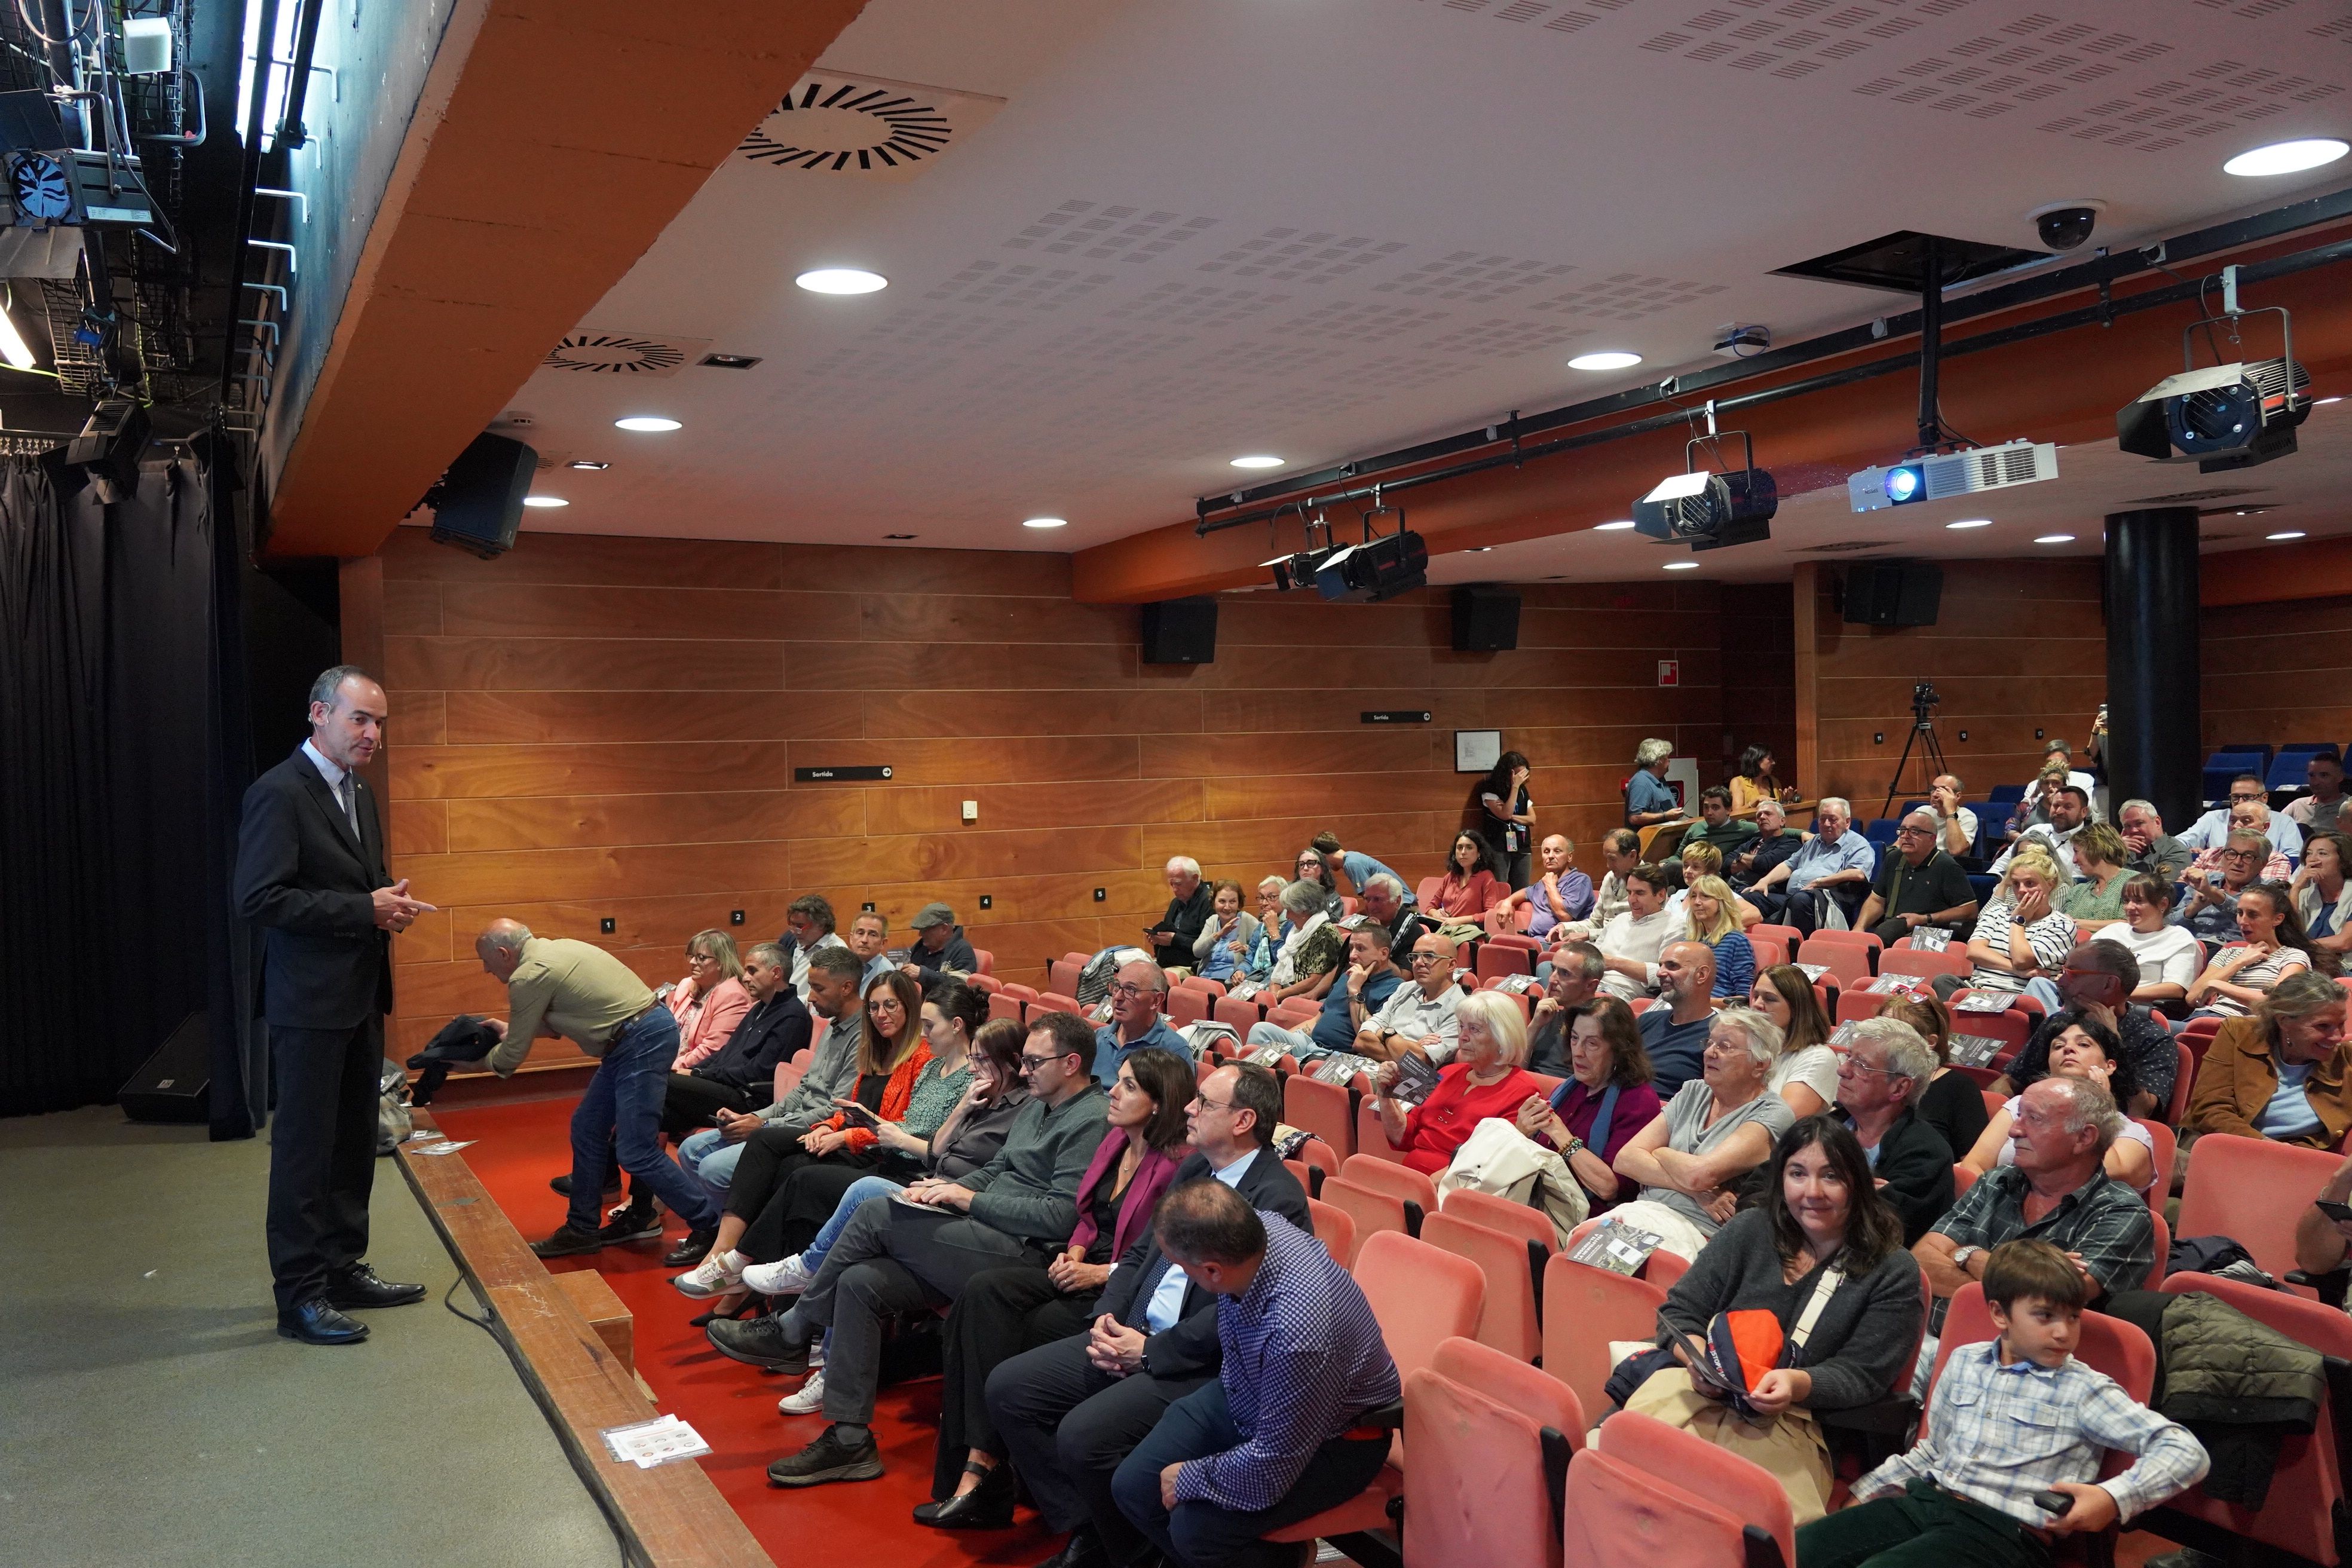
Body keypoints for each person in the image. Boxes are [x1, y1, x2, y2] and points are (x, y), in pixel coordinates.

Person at [725, 1012, 1111, 1488]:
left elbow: (1060, 1218)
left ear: (1071, 1062)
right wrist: (943, 1189)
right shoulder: (1038, 1104)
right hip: (981, 1230)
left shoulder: (1092, 1120)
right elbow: (998, 1173)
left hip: (1022, 1251)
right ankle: (849, 1439)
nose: (1024, 1070)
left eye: (1034, 1062)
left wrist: (968, 1199)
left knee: (873, 1213)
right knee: (859, 1281)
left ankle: (795, 1328)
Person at [987, 1063, 1306, 1568]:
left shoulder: (1276, 1200)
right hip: (1135, 1331)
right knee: (1010, 1389)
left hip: (1199, 1363)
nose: (1188, 1109)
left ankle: (1141, 1554)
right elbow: (1139, 1253)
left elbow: (1241, 1312)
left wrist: (1150, 1352)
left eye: (1204, 1102)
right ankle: (1093, 1529)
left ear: (1244, 1121)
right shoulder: (1197, 1167)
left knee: (1084, 1436)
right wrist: (1108, 1318)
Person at [232, 664, 434, 1345]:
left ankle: (343, 1268)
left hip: (359, 998)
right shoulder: (278, 793)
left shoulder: (361, 794)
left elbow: (364, 882)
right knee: (304, 1154)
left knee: (353, 1144)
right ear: (318, 714)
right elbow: (258, 899)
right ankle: (300, 1296)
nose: (373, 733)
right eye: (360, 718)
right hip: (308, 1005)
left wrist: (388, 904)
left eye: (379, 722)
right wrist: (361, 907)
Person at [1801, 1238, 2209, 1568]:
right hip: (1927, 1502)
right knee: (1798, 1548)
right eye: (2045, 1316)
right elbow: (1932, 1452)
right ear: (2000, 1314)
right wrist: (1865, 1493)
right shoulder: (1965, 1361)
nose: (2064, 1333)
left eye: (2074, 1317)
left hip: (2005, 1531)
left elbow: (2185, 1450)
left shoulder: (2082, 1389)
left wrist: (2115, 1497)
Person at [923, 1048, 1195, 1529]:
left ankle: (991, 1472)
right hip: (1078, 1267)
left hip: (1120, 1289)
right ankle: (974, 1467)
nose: (1112, 1090)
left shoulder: (1176, 1166)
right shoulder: (1114, 1142)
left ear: (1159, 1103)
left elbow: (1154, 1256)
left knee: (1036, 1325)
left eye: (1129, 1086)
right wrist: (1074, 1251)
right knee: (982, 1294)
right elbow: (1084, 1216)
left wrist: (1099, 1272)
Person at [1629, 1119, 1927, 1523]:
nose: (1812, 1193)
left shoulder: (1892, 1269)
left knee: (1721, 1519)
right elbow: (1680, 1312)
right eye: (1798, 1174)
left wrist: (1795, 1383)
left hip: (1795, 1423)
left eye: (1832, 1177)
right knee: (1626, 1484)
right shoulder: (1750, 1229)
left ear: (1859, 1184)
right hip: (1701, 1395)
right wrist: (1698, 1362)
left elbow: (1864, 1375)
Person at [1108, 1184, 1401, 1568]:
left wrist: (1191, 1478)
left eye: (1183, 1268)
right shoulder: (1260, 1227)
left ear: (1212, 1271)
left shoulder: (1297, 1334)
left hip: (1339, 1440)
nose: (1184, 1275)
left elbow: (1273, 1466)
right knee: (1133, 1486)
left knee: (1195, 1528)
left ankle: (1272, 1560)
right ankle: (1268, 1558)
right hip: (1247, 1392)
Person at [681, 997, 1018, 1317]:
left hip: (905, 1168)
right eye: (873, 1006)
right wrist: (840, 1123)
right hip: (888, 1153)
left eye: (891, 1006)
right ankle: (757, 1281)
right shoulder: (930, 1066)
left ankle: (746, 1265)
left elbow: (933, 1149)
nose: (922, 1032)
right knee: (792, 1169)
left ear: (957, 1026)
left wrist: (857, 1133)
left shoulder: (959, 1077)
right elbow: (892, 1119)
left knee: (801, 1174)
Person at [670, 969, 945, 1294]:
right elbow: (851, 1107)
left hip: (875, 1153)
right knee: (782, 1161)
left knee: (782, 1157)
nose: (880, 1015)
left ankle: (731, 1260)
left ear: (909, 1007)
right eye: (873, 1007)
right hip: (848, 1141)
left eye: (890, 1005)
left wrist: (842, 1135)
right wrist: (828, 1126)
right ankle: (740, 1270)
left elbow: (900, 1126)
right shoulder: (876, 1051)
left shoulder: (922, 1057)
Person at [473, 920, 726, 1260]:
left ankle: (710, 1226)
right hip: (638, 1035)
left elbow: (509, 1060)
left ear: (504, 954)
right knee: (588, 1127)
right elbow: (562, 1020)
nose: (486, 969)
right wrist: (514, 1028)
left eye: (486, 961)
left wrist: (466, 1064)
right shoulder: (558, 946)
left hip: (637, 1041)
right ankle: (581, 1230)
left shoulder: (527, 975)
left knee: (636, 1150)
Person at [1916, 1076, 2155, 1335]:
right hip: (1926, 1336)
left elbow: (2048, 1297)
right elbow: (1921, 1260)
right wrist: (2016, 1273)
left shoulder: (2122, 1212)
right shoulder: (1996, 1181)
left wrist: (1964, 1254)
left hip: (2026, 1366)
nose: (2014, 1130)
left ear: (2084, 1138)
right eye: (2019, 1116)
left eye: (2034, 1118)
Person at [638, 942, 810, 1259]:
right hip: (728, 1088)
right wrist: (700, 1071)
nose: (745, 977)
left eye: (752, 970)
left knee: (656, 1082)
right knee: (651, 1119)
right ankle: (647, 1210)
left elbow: (759, 1071)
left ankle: (704, 1226)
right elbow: (727, 1056)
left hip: (748, 1099)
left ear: (776, 973)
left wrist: (698, 1076)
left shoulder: (792, 1015)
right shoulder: (760, 1008)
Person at [675, 946, 865, 1211]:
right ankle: (717, 1229)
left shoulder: (863, 1036)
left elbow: (837, 1110)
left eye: (819, 989)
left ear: (846, 988)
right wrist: (760, 1118)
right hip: (787, 1120)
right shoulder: (834, 1025)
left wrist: (765, 1125)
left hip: (813, 1131)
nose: (810, 997)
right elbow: (803, 1090)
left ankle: (732, 1236)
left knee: (711, 1166)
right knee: (690, 1150)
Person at [1610, 1009, 1800, 1259]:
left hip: (1698, 1232)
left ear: (1760, 1065)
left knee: (1617, 1270)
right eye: (1709, 1043)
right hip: (1643, 1211)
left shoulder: (1773, 1113)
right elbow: (1625, 1159)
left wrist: (1660, 1151)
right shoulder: (1693, 1091)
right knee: (1583, 1255)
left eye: (1725, 1046)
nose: (1710, 1052)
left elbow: (1701, 1175)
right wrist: (1695, 1192)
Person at [1962, 1014, 2154, 1194]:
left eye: (2084, 1044)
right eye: (2058, 1046)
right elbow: (1974, 1164)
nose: (2067, 1049)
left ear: (2109, 1066)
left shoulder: (2131, 1132)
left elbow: (2110, 1169)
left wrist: (2097, 1108)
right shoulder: (2019, 1106)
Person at [1370, 990, 1542, 1175]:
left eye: (1474, 1029)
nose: (1463, 1036)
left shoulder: (1523, 1091)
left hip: (1457, 1188)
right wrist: (1385, 1094)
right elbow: (1403, 1137)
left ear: (1502, 1038)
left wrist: (1427, 1187)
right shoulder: (1448, 1073)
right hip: (1412, 1177)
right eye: (1461, 1027)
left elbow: (1488, 1165)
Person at [1516, 995, 1662, 1211]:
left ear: (1619, 1049)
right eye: (1575, 1038)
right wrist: (1522, 1132)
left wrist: (1560, 1134)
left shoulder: (1638, 1101)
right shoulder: (1571, 1087)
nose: (1578, 1051)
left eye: (1592, 1043)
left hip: (1584, 1214)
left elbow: (1609, 1188)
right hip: (1535, 1195)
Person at [2185, 970, 2352, 1149]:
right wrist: (2266, 1147)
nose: (2337, 1037)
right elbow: (2209, 1108)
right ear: (2284, 1022)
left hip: (2298, 1161)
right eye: (2323, 1026)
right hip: (2222, 1147)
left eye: (2341, 1024)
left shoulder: (2346, 1060)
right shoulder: (2239, 1033)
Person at [2004, 946, 2175, 1119]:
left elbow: (2141, 1112)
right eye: (2063, 972)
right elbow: (2010, 1082)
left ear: (2109, 984)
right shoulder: (2057, 1023)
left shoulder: (2153, 1038)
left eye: (2073, 974)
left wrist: (2114, 1041)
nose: (2060, 982)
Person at [1833, 1020, 1958, 1244]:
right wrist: (1859, 1189)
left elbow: (1878, 1230)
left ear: (1900, 1088)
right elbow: (1761, 1187)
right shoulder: (1825, 1126)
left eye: (1861, 1065)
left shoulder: (1928, 1155)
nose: (1842, 1070)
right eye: (1848, 1057)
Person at [1245, 921, 1398, 1061]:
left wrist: (1355, 990)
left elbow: (1366, 1037)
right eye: (1351, 948)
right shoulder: (1347, 976)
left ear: (1383, 954)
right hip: (1310, 1043)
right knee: (1261, 1030)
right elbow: (1316, 1020)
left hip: (1339, 1056)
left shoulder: (1394, 988)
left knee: (1305, 1064)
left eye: (1361, 949)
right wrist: (1284, 1044)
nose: (1352, 956)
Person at [1936, 849, 2075, 1000]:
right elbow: (1974, 951)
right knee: (1942, 981)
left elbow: (2022, 960)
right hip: (1979, 990)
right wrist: (2018, 971)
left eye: (2030, 883)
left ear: (2050, 884)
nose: (2022, 890)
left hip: (2021, 997)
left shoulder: (2061, 925)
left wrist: (2018, 921)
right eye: (2016, 884)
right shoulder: (1997, 912)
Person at [2185, 881, 2325, 1021]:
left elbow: (2272, 1003)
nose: (2242, 921)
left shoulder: (2293, 956)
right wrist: (2240, 962)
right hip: (2201, 1018)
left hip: (2241, 1026)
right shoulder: (2231, 951)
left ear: (2278, 919)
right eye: (2240, 913)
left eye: (2253, 915)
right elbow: (2192, 998)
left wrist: (2216, 985)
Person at [1854, 808, 1980, 947]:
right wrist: (1859, 927)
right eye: (1902, 831)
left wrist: (1924, 919)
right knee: (1863, 946)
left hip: (1932, 931)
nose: (1906, 836)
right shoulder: (1893, 859)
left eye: (1914, 832)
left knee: (1896, 949)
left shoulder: (1947, 866)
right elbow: (1877, 900)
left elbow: (1970, 911)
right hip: (1894, 929)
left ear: (1932, 838)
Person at [1750, 798, 1876, 935]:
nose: (1827, 824)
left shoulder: (1858, 844)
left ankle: (1794, 948)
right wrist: (1765, 881)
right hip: (1792, 896)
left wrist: (1819, 882)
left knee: (1799, 901)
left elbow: (1858, 873)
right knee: (1751, 896)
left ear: (1847, 822)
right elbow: (1788, 865)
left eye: (1833, 820)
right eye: (1822, 819)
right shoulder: (1814, 841)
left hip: (1825, 902)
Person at [2089, 874, 2203, 1011]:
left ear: (2163, 904)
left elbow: (2175, 988)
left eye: (2138, 901)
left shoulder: (2179, 939)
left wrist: (2117, 995)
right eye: (2126, 900)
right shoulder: (2111, 931)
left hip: (2136, 1012)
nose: (2129, 907)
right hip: (2091, 1001)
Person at [1354, 929, 1463, 1064]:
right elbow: (1361, 1041)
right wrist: (1411, 1047)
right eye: (1415, 957)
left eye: (1429, 956)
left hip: (1407, 1080)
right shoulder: (1405, 988)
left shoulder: (1461, 1009)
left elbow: (1421, 1062)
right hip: (1366, 1064)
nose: (1418, 963)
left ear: (1451, 965)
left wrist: (1385, 1034)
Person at [1748, 965, 1840, 1119]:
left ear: (1797, 1008)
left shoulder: (1818, 1058)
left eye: (1769, 999)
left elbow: (1780, 1121)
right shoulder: (1750, 1048)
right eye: (1755, 996)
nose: (1757, 1004)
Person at [1637, 939, 1721, 1097]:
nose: (1660, 973)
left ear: (1701, 975)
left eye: (1672, 966)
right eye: (1661, 965)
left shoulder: (1720, 1035)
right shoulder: (1646, 1021)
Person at [665, 929, 753, 1071]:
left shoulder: (733, 996)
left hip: (696, 1073)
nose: (693, 962)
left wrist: (669, 1067)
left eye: (701, 957)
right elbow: (666, 1030)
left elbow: (712, 1050)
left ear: (721, 962)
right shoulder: (686, 985)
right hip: (668, 1066)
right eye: (692, 956)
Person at [1594, 863, 1682, 1004]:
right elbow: (1594, 956)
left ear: (1660, 895)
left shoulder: (1675, 927)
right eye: (1629, 892)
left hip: (1624, 996)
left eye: (1640, 893)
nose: (1631, 899)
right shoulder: (1619, 920)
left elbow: (1667, 974)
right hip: (1592, 986)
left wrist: (1615, 963)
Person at [1093, 961, 1192, 1083]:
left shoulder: (1175, 1050)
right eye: (1117, 986)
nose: (1118, 997)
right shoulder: (1098, 1037)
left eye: (1130, 989)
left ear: (1156, 1000)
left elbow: (1177, 1101)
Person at [1487, 833, 1594, 938]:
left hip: (1563, 944)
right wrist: (1507, 902)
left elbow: (1564, 915)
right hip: (1535, 940)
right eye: (1546, 852)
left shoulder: (1580, 881)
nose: (1551, 856)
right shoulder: (1542, 883)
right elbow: (1525, 892)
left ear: (1570, 857)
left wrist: (1551, 886)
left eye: (1557, 851)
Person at [2173, 828, 2268, 944]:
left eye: (2248, 857)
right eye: (2232, 854)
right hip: (2187, 947)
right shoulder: (2204, 880)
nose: (2238, 862)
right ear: (2223, 856)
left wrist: (2213, 894)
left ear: (2263, 863)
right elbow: (2168, 924)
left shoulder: (2269, 890)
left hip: (2234, 953)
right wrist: (2193, 908)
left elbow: (2258, 925)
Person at [2180, 773, 2304, 861]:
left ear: (2264, 798)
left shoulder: (2283, 821)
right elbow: (2180, 842)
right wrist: (2188, 851)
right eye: (2235, 797)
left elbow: (2293, 858)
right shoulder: (2214, 817)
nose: (2240, 802)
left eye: (2248, 797)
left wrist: (2255, 859)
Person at [1527, 941, 1606, 1076]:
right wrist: (1535, 1025)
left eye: (1565, 974)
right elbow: (1516, 1069)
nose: (1552, 979)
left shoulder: (1603, 1027)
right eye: (1553, 969)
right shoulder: (1548, 1015)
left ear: (1590, 985)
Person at [1261, 879, 1343, 1006]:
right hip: (1284, 994)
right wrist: (1273, 995)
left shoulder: (1325, 933)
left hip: (1305, 998)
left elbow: (1314, 981)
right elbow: (1280, 969)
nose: (1287, 916)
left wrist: (1278, 996)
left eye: (1289, 910)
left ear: (1304, 911)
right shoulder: (1297, 931)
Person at [1991, 783, 2092, 883]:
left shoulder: (2089, 843)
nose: (2060, 811)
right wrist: (1992, 881)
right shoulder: (2035, 830)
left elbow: (2076, 884)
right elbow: (2003, 863)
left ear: (2084, 812)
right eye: (2056, 805)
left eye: (2068, 807)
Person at [1686, 874, 1758, 1002]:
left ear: (1722, 902)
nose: (1697, 902)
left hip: (1716, 1012)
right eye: (1693, 896)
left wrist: (1702, 1003)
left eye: (1705, 896)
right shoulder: (1687, 942)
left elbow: (1744, 998)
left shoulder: (1736, 941)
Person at [2185, 799, 2293, 883]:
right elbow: (2183, 885)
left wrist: (2210, 893)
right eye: (2232, 820)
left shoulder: (2274, 859)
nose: (2236, 826)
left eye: (2246, 821)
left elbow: (2267, 897)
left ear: (2265, 827)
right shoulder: (2209, 854)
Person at [1190, 880, 1269, 987]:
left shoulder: (1247, 920)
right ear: (1214, 903)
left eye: (1232, 902)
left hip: (1229, 981)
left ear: (1239, 904)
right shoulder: (1212, 921)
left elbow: (1263, 952)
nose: (1227, 907)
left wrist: (1245, 949)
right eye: (1222, 901)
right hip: (1205, 978)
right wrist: (1218, 935)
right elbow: (1197, 951)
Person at [1477, 750, 1536, 887]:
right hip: (1499, 846)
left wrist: (1512, 816)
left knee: (1522, 887)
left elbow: (1532, 819)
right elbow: (1505, 815)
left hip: (1521, 844)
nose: (1522, 779)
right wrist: (1514, 787)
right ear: (1510, 773)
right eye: (1519, 775)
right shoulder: (1490, 789)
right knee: (1501, 886)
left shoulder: (1523, 790)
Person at [1147, 857, 1215, 972]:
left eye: (1178, 884)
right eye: (1171, 884)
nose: (1174, 889)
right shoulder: (1176, 903)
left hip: (1194, 966)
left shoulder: (1209, 902)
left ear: (1195, 878)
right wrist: (1159, 939)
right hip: (1169, 962)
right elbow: (1169, 934)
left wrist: (1174, 940)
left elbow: (1207, 946)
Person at [1730, 797, 1806, 896]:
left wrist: (1740, 857)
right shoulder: (1753, 842)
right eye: (1759, 815)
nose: (1762, 817)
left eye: (1768, 814)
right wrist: (1752, 863)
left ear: (1782, 821)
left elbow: (1764, 863)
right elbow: (1726, 863)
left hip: (1764, 893)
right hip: (1735, 888)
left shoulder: (1791, 845)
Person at [780, 893, 849, 1002]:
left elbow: (828, 996)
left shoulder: (837, 951)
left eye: (800, 926)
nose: (793, 931)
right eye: (791, 924)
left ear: (821, 924)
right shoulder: (798, 941)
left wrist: (784, 1005)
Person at [2295, 829, 2352, 957]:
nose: (2313, 860)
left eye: (2322, 854)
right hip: (2309, 963)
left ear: (2343, 860)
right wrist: (2296, 888)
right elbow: (2287, 931)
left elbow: (2345, 942)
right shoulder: (2303, 895)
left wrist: (2298, 946)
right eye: (2309, 854)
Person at [1309, 830, 1405, 904]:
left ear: (1323, 856)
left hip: (1403, 906)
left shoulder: (1351, 864)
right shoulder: (1353, 857)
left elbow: (1369, 899)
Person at [1431, 829, 1505, 920]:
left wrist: (1458, 921)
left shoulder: (1486, 877)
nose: (1463, 852)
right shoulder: (1451, 876)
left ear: (1479, 853)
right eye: (1460, 848)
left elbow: (1491, 914)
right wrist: (1435, 913)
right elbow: (1431, 906)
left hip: (1470, 928)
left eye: (1469, 848)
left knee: (1427, 935)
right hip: (1444, 926)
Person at [2118, 798, 2193, 883]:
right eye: (2128, 826)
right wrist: (2116, 853)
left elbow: (2157, 888)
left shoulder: (2177, 851)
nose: (2133, 830)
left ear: (2157, 822)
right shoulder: (2123, 850)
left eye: (2139, 823)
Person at [903, 902, 978, 983]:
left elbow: (958, 987)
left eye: (925, 930)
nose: (920, 934)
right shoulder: (920, 947)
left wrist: (923, 975)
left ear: (944, 929)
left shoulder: (962, 951)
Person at [1625, 737, 1686, 831]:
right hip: (1647, 842)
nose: (1669, 761)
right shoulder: (1641, 782)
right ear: (1659, 760)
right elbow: (1635, 818)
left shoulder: (1660, 779)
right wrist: (1665, 816)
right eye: (1667, 758)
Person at [1685, 785, 1760, 859]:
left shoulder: (1743, 828)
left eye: (1715, 808)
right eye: (1706, 807)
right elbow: (1678, 856)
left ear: (1728, 810)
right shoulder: (1695, 828)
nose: (1709, 813)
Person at [2287, 751, 2349, 835]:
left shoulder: (2349, 807)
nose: (2315, 782)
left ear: (2340, 777)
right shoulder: (2297, 805)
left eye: (2324, 775)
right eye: (2312, 775)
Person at [1927, 773, 1979, 860]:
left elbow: (1956, 850)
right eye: (1933, 789)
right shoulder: (1922, 811)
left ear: (1957, 796)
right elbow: (1902, 842)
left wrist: (1950, 811)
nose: (1935, 795)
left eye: (1942, 790)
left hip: (1945, 866)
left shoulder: (1967, 817)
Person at [1731, 743, 1794, 814]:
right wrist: (1755, 801)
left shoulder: (1774, 781)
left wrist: (1786, 800)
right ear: (1757, 760)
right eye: (1769, 759)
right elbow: (1736, 813)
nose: (1774, 763)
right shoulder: (1738, 782)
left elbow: (1778, 811)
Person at [843, 910, 896, 993]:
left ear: (883, 943)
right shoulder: (844, 967)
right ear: (851, 938)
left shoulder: (888, 975)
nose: (864, 940)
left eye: (873, 935)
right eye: (860, 933)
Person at [1289, 847, 1347, 921]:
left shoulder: (1333, 898)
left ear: (1322, 869)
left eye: (1311, 863)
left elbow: (1335, 925)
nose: (1305, 868)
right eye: (1301, 864)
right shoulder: (1291, 896)